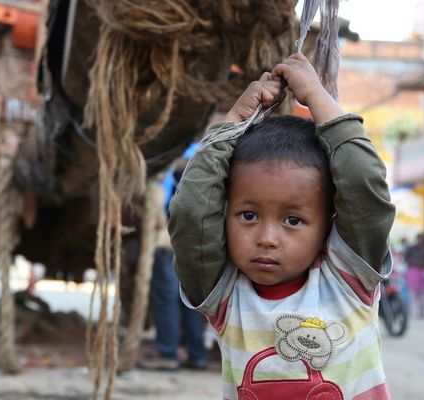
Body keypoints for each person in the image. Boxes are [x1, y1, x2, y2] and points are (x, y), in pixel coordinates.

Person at [169, 53, 395, 399]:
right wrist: (232, 124)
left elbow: (364, 183)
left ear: (328, 225)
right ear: (224, 214)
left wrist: (318, 98)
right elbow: (191, 213)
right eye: (248, 215)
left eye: (293, 220)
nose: (267, 239)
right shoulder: (224, 293)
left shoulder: (348, 277)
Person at [138, 168, 207, 371]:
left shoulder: (170, 158)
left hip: (168, 235)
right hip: (197, 236)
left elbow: (160, 192)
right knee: (191, 296)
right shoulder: (205, 153)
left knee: (166, 295)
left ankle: (168, 353)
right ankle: (197, 353)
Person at [405, 233, 424, 317]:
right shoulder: (412, 248)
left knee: (423, 293)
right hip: (413, 272)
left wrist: (421, 263)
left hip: (423, 272)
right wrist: (416, 262)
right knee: (413, 292)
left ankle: (422, 311)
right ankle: (414, 310)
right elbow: (406, 258)